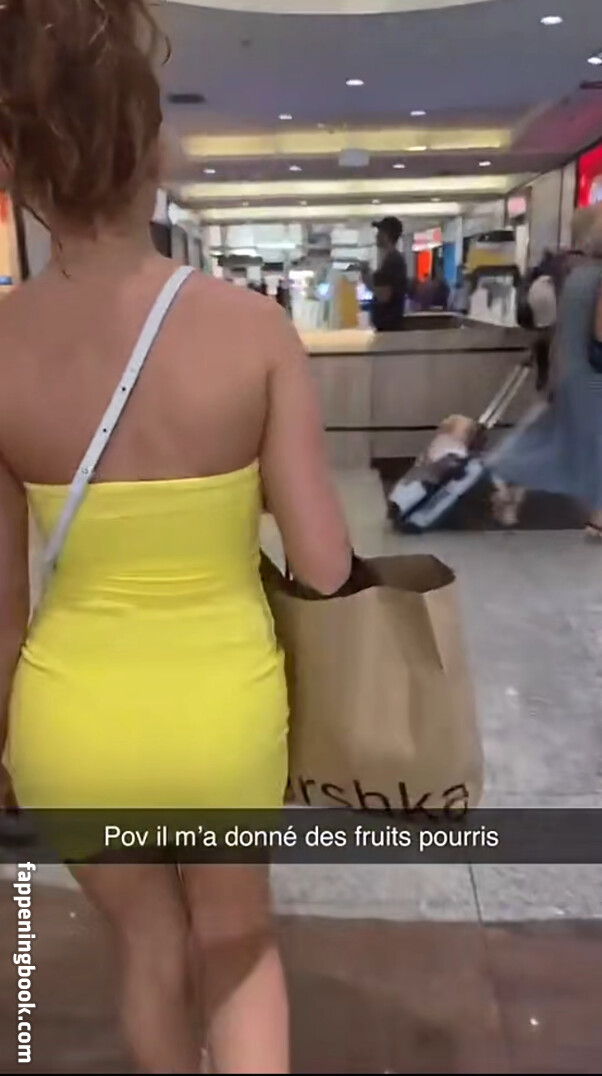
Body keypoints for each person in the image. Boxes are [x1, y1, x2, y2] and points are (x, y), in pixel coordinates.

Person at [0, 2, 351, 1074]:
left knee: (147, 949)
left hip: (70, 721)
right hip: (221, 710)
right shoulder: (252, 331)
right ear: (156, 150)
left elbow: (2, 607)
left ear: (19, 169)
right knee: (238, 950)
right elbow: (325, 566)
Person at [491, 207, 602, 534]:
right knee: (585, 447)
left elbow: (559, 330)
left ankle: (509, 480)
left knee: (561, 440)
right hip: (592, 376)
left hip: (569, 372)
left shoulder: (575, 276)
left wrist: (554, 374)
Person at [368, 216, 408, 332]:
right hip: (388, 327)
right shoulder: (391, 259)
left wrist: (367, 280)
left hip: (389, 328)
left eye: (379, 232)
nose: (376, 236)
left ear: (386, 235)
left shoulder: (393, 261)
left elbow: (384, 295)